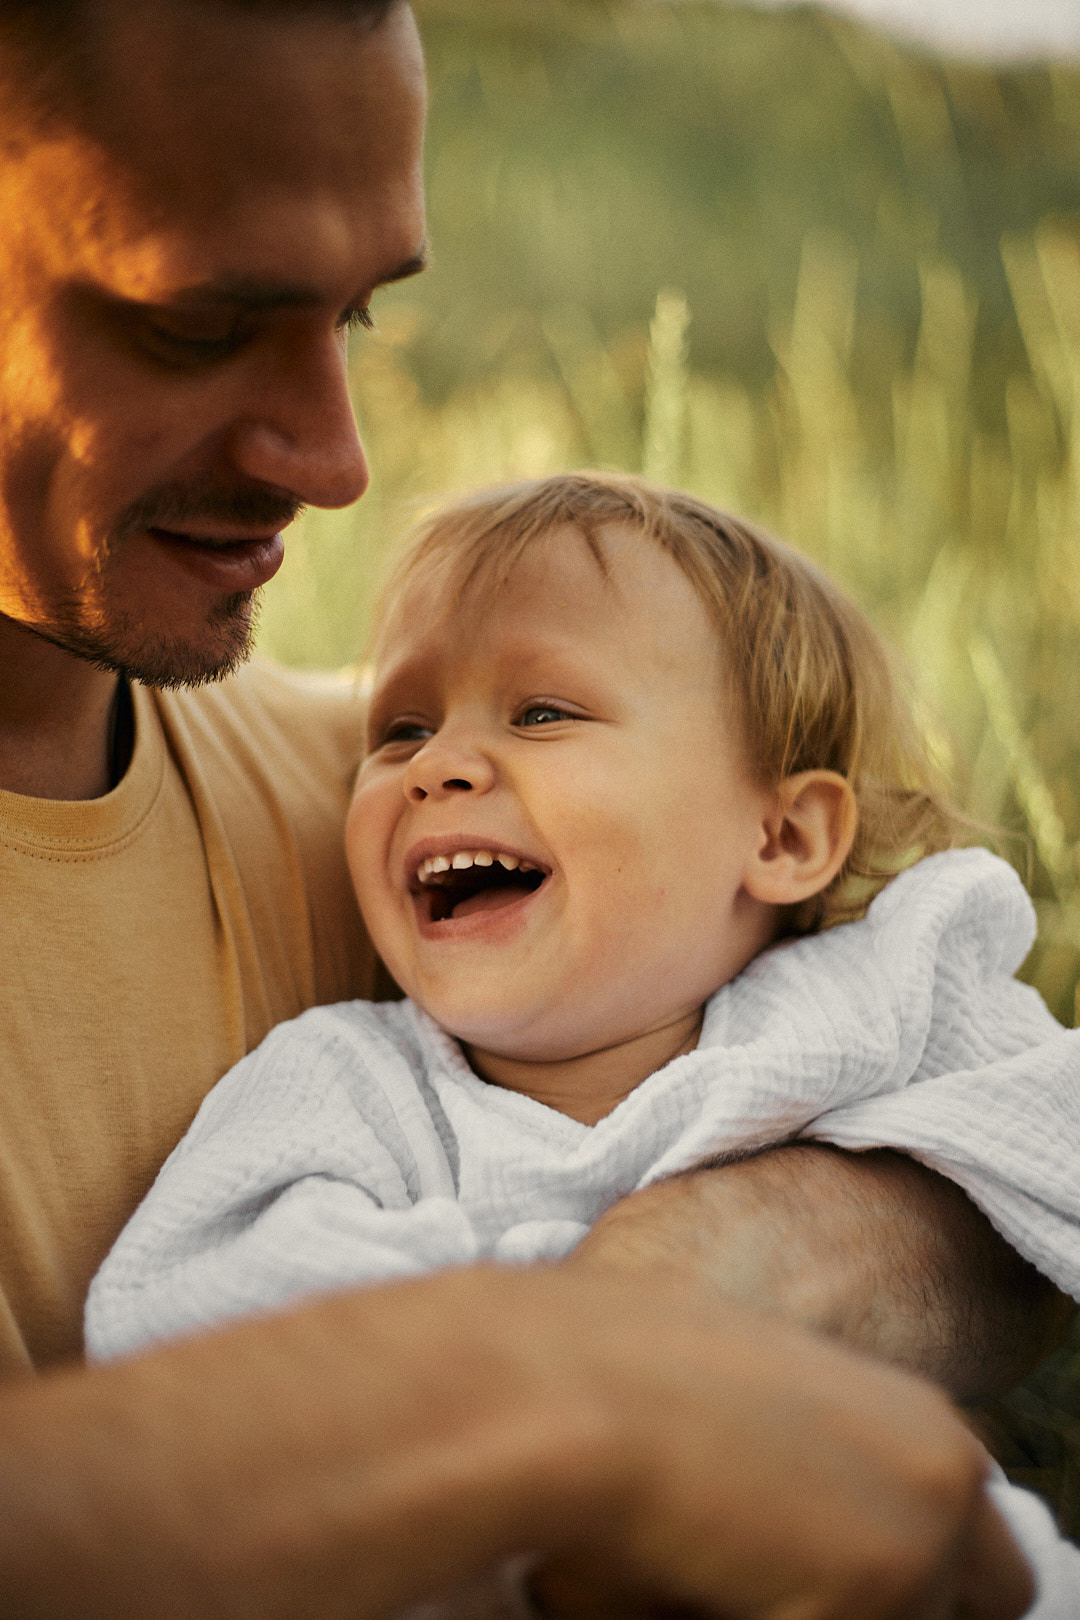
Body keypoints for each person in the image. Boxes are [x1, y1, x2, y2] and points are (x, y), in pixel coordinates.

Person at [0, 0, 1067, 1613]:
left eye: (357, 318)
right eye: (199, 324)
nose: (338, 462)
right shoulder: (347, 1074)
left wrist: (692, 1291)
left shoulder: (344, 783)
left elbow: (1026, 1167)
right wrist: (571, 1396)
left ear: (788, 838)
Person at [86, 475, 1080, 1366]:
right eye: (402, 729)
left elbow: (1050, 1133)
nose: (436, 765)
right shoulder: (350, 1088)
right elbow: (187, 1321)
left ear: (783, 837)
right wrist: (571, 1306)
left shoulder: (866, 1003)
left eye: (542, 714)